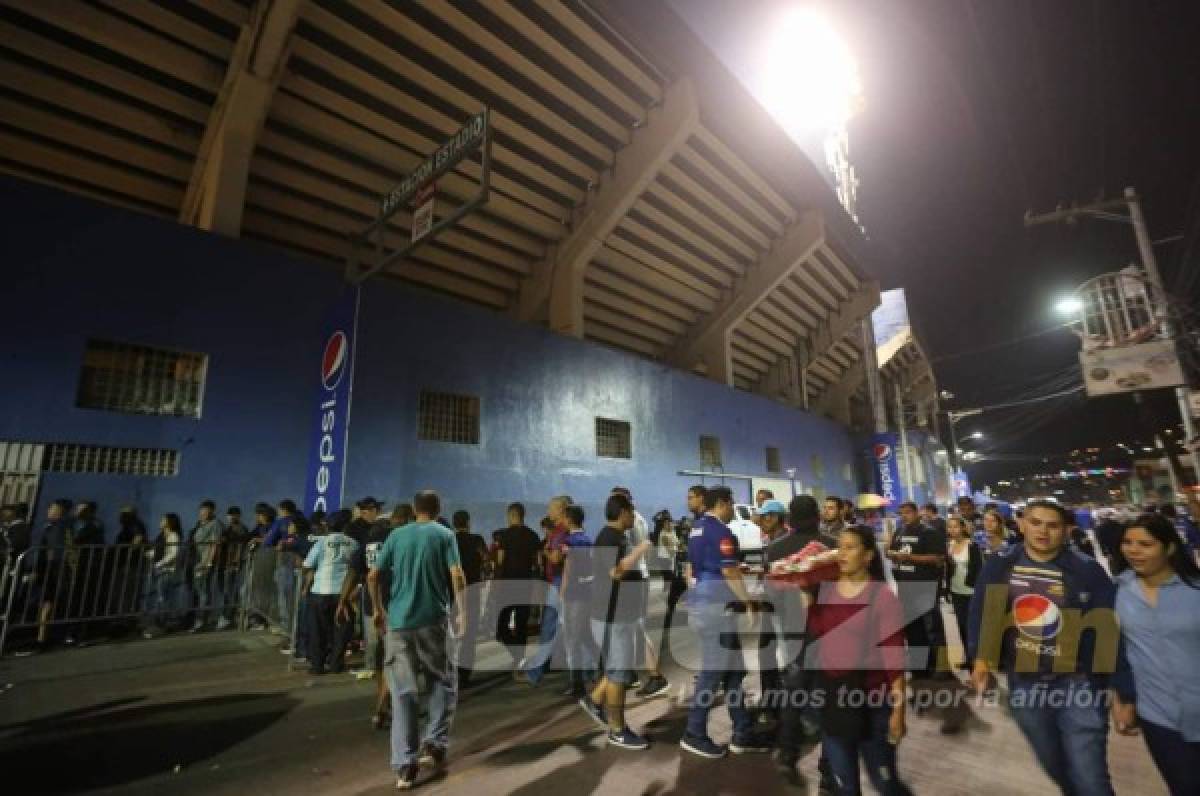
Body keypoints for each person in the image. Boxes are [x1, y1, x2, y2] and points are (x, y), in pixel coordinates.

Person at [968, 500, 1133, 796]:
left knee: (1089, 777)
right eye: (1035, 522)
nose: (1043, 531)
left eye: (1052, 525)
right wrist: (981, 661)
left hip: (1079, 684)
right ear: (1021, 524)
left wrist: (1121, 691)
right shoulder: (1000, 564)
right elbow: (985, 614)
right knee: (1054, 764)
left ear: (1067, 530)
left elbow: (1108, 635)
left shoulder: (1088, 572)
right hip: (1025, 683)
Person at [368, 490, 466, 790]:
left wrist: (378, 609)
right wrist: (461, 610)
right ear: (438, 509)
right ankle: (435, 741)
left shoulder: (396, 536)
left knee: (403, 692)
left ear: (414, 509)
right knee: (441, 680)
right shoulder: (444, 535)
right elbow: (457, 575)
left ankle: (405, 766)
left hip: (399, 622)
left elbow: (373, 575)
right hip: (433, 621)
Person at [806, 525, 911, 796]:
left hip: (873, 704)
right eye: (839, 547)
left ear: (867, 556)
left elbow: (894, 656)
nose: (842, 553)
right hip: (835, 700)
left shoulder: (882, 597)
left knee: (885, 783)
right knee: (845, 786)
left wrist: (898, 711)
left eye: (850, 547)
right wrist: (806, 596)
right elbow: (820, 630)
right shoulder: (827, 590)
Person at [1111, 513, 1200, 795]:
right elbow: (1116, 650)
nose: (1133, 550)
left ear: (1169, 547)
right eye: (1128, 542)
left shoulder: (1194, 590)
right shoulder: (1117, 592)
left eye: (1145, 544)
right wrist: (1122, 697)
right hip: (1160, 718)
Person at [680, 485, 771, 759]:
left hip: (705, 602)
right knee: (713, 673)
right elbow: (729, 570)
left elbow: (700, 566)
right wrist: (748, 602)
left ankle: (742, 731)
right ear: (723, 502)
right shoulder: (721, 531)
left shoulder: (696, 528)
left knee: (733, 671)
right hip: (717, 608)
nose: (734, 510)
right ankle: (694, 733)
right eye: (732, 504)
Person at [580, 492, 652, 750]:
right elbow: (616, 573)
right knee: (619, 674)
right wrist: (640, 551)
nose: (634, 517)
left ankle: (595, 701)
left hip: (614, 614)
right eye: (632, 513)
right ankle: (618, 730)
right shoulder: (610, 538)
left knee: (615, 670)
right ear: (622, 513)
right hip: (613, 616)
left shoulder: (613, 537)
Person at [338, 503, 407, 726]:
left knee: (380, 658)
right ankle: (383, 707)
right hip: (395, 606)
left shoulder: (368, 542)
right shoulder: (400, 539)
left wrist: (343, 600)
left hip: (371, 608)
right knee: (395, 658)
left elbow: (353, 571)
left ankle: (384, 703)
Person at [612, 486, 671, 698]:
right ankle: (632, 674)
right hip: (635, 577)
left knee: (635, 628)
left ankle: (655, 677)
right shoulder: (637, 520)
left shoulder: (633, 521)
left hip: (634, 578)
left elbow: (634, 550)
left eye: (616, 500)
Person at [885, 502, 945, 678]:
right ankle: (920, 666)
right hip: (905, 586)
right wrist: (890, 551)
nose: (904, 516)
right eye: (901, 513)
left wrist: (910, 557)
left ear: (917, 513)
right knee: (912, 628)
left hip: (925, 585)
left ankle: (941, 667)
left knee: (932, 628)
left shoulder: (929, 532)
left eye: (908, 513)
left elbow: (938, 558)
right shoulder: (899, 531)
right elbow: (889, 552)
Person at [522, 498, 572, 687]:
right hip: (560, 583)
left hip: (559, 584)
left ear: (561, 510)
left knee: (549, 628)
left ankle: (535, 672)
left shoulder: (560, 532)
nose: (548, 510)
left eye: (551, 508)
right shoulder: (562, 531)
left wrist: (546, 553)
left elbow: (557, 558)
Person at [302, 508, 358, 675]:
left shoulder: (321, 543)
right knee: (341, 631)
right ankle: (336, 664)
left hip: (320, 590)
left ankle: (317, 665)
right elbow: (356, 568)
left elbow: (306, 566)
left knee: (317, 630)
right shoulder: (354, 543)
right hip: (343, 593)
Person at [493, 502, 540, 668]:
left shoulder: (504, 536)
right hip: (525, 584)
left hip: (507, 584)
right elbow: (537, 563)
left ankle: (516, 655)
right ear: (523, 515)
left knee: (501, 625)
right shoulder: (533, 536)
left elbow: (500, 560)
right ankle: (520, 658)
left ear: (510, 515)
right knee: (521, 624)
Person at [560, 503, 597, 699]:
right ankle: (603, 667)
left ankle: (578, 685)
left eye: (564, 518)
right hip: (587, 592)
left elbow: (569, 568)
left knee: (571, 640)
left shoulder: (570, 541)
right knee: (584, 635)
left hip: (574, 594)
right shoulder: (588, 539)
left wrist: (562, 593)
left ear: (569, 519)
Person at [451, 509, 487, 685]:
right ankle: (464, 674)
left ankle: (449, 670)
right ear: (468, 522)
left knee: (450, 632)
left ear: (454, 523)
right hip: (473, 590)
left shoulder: (449, 541)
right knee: (469, 633)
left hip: (451, 592)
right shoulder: (477, 540)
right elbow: (486, 559)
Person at [944, 515, 981, 669]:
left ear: (963, 528)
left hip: (971, 591)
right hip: (956, 590)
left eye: (955, 526)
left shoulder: (972, 545)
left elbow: (978, 570)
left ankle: (977, 663)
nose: (952, 530)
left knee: (972, 627)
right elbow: (948, 568)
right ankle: (968, 658)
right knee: (961, 625)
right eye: (950, 527)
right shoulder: (949, 545)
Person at [144, 513, 184, 636]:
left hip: (167, 571)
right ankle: (160, 623)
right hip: (159, 570)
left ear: (169, 522)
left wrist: (160, 563)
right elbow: (158, 551)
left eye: (163, 519)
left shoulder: (173, 536)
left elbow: (173, 553)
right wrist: (148, 554)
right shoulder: (161, 535)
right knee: (159, 597)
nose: (161, 521)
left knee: (162, 598)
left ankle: (160, 625)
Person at [188, 500, 224, 632]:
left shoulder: (215, 524)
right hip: (198, 563)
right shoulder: (200, 525)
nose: (202, 513)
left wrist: (208, 562)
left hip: (205, 563)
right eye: (201, 510)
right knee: (200, 591)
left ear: (212, 511)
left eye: (206, 511)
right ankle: (200, 619)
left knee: (204, 592)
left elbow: (215, 544)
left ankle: (201, 621)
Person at [264, 499, 298, 635]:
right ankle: (296, 626)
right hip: (301, 565)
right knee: (295, 597)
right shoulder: (302, 520)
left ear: (283, 510)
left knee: (284, 596)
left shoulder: (280, 522)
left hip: (284, 563)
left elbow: (268, 542)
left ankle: (286, 627)